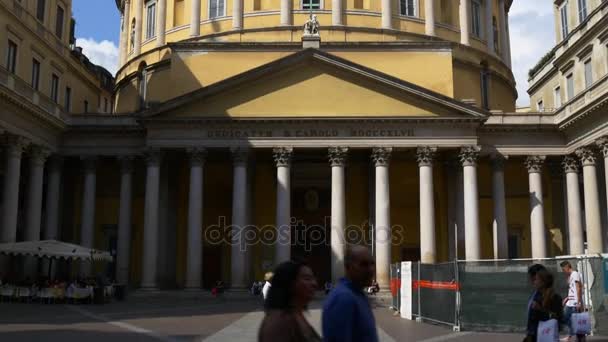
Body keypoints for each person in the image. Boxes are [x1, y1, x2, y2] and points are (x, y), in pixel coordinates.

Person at [323, 245, 378, 342]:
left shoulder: (358, 294)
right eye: (363, 264)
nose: (371, 269)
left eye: (372, 263)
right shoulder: (343, 298)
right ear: (348, 267)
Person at [258, 261, 320, 342]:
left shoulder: (297, 314)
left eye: (313, 278)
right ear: (289, 283)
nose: (314, 283)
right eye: (307, 279)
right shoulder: (278, 323)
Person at [524, 267, 563, 342]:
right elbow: (531, 320)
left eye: (536, 279)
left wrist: (540, 309)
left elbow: (557, 317)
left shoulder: (555, 297)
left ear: (543, 282)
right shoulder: (535, 296)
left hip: (547, 335)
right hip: (534, 336)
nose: (534, 282)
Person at [560, 261, 586, 342]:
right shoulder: (571, 275)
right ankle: (575, 336)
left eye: (563, 269)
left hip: (574, 303)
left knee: (574, 321)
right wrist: (567, 298)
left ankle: (578, 337)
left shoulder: (575, 274)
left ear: (567, 267)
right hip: (570, 302)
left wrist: (578, 302)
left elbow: (578, 288)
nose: (563, 271)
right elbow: (573, 289)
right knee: (565, 318)